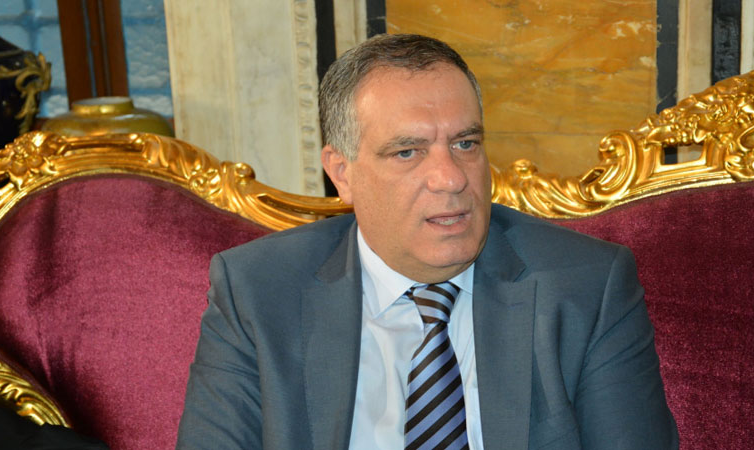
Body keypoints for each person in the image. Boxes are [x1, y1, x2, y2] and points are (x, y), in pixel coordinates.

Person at [176, 34, 678, 450]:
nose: (451, 178)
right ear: (342, 173)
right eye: (408, 152)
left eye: (465, 143)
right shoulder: (257, 292)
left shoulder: (587, 287)